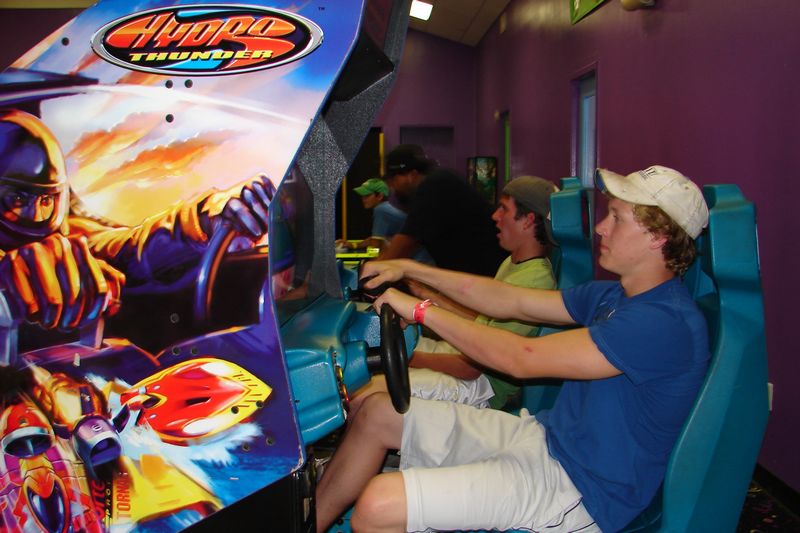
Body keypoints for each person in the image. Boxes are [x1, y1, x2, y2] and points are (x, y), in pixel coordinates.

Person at [316, 165, 711, 533]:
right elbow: (507, 300)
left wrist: (421, 311)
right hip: (545, 437)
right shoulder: (613, 296)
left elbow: (521, 359)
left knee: (378, 505)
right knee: (376, 413)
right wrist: (409, 268)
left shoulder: (663, 322)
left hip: (581, 488)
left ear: (658, 237)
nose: (601, 228)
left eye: (617, 218)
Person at [0, 108, 273, 333]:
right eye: (18, 200)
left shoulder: (72, 239)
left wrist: (206, 217)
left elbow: (131, 248)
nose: (35, 216)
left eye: (46, 200)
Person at [350, 176, 558, 415]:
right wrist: (425, 295)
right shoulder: (513, 263)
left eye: (504, 209)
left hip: (483, 387)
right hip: (468, 365)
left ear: (528, 220)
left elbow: (471, 369)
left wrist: (407, 358)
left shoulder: (535, 279)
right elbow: (482, 324)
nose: (495, 216)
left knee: (361, 394)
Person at [378, 144, 506, 276]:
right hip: (478, 272)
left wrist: (374, 271)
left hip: (487, 272)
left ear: (411, 175)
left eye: (393, 180)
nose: (392, 187)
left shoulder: (433, 187)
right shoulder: (437, 181)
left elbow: (405, 243)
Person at [339, 177, 406, 251]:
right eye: (362, 195)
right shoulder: (387, 207)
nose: (363, 199)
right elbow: (375, 240)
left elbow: (375, 245)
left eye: (367, 195)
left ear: (380, 196)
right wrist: (354, 245)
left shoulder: (381, 209)